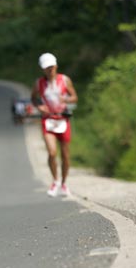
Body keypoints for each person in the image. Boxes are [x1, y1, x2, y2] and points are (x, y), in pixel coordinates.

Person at [31, 53, 78, 197]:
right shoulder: (39, 83)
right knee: (52, 152)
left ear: (56, 66)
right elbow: (34, 98)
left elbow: (75, 97)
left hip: (62, 119)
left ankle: (64, 183)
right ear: (42, 69)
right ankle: (55, 181)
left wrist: (66, 99)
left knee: (65, 155)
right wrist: (39, 107)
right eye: (46, 67)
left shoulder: (65, 80)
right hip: (48, 120)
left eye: (51, 66)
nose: (50, 69)